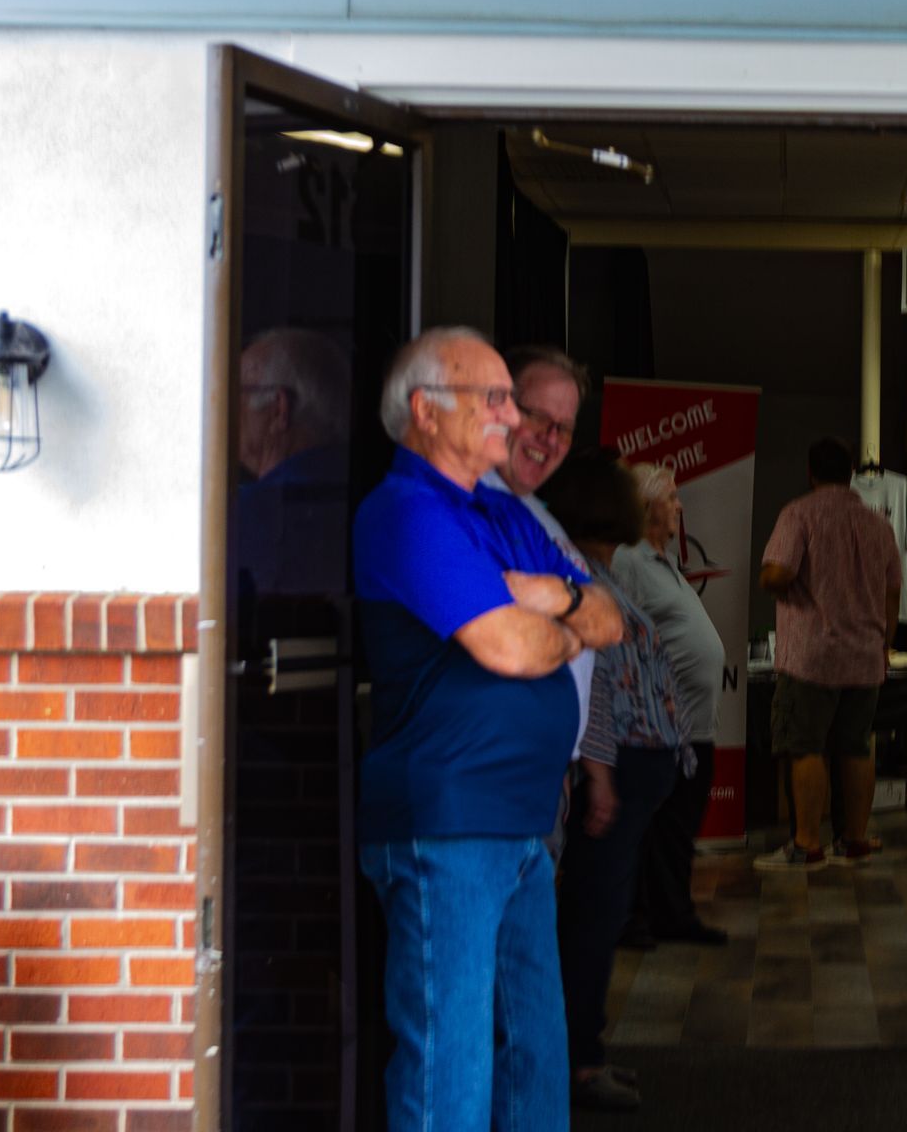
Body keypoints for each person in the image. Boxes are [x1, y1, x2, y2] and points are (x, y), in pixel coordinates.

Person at [351, 327, 623, 1131]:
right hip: (448, 830)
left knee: (536, 1053)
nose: (513, 416)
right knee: (450, 1067)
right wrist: (554, 618)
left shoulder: (501, 514)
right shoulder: (405, 512)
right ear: (426, 412)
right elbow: (507, 647)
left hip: (518, 827)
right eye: (496, 398)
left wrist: (560, 605)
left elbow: (609, 617)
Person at [546, 454, 687, 1113]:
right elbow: (594, 687)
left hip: (632, 768)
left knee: (597, 916)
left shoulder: (597, 571)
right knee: (592, 919)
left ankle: (583, 1054)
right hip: (615, 769)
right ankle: (578, 1062)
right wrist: (601, 775)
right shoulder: (576, 574)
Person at [755, 437, 901, 871]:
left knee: (805, 747)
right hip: (865, 655)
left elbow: (779, 571)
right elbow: (892, 593)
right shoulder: (879, 525)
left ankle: (806, 846)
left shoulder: (799, 513)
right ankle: (853, 841)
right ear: (851, 470)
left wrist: (772, 581)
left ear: (810, 472)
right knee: (856, 747)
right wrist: (885, 644)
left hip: (811, 656)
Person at [480, 345, 597, 860]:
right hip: (494, 782)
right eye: (538, 417)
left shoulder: (536, 516)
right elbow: (509, 642)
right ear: (499, 407)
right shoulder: (467, 501)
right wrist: (576, 623)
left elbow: (605, 618)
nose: (551, 439)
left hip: (545, 775)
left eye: (565, 428)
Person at [612, 461, 729, 945]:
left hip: (692, 729)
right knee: (653, 828)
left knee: (675, 832)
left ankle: (671, 913)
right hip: (661, 727)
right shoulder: (629, 562)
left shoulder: (665, 563)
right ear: (646, 506)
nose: (681, 507)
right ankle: (638, 918)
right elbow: (618, 636)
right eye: (673, 498)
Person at [236, 326, 351, 596]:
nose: (225, 411)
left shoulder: (249, 514)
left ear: (279, 410)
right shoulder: (370, 492)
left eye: (237, 393)